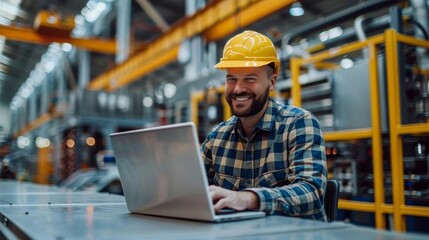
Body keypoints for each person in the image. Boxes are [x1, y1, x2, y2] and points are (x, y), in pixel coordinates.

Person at [201, 30, 328, 221]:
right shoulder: (217, 137)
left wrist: (250, 198)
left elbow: (311, 193)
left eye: (250, 79)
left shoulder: (298, 123)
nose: (238, 89)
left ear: (272, 82)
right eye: (231, 79)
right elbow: (194, 190)